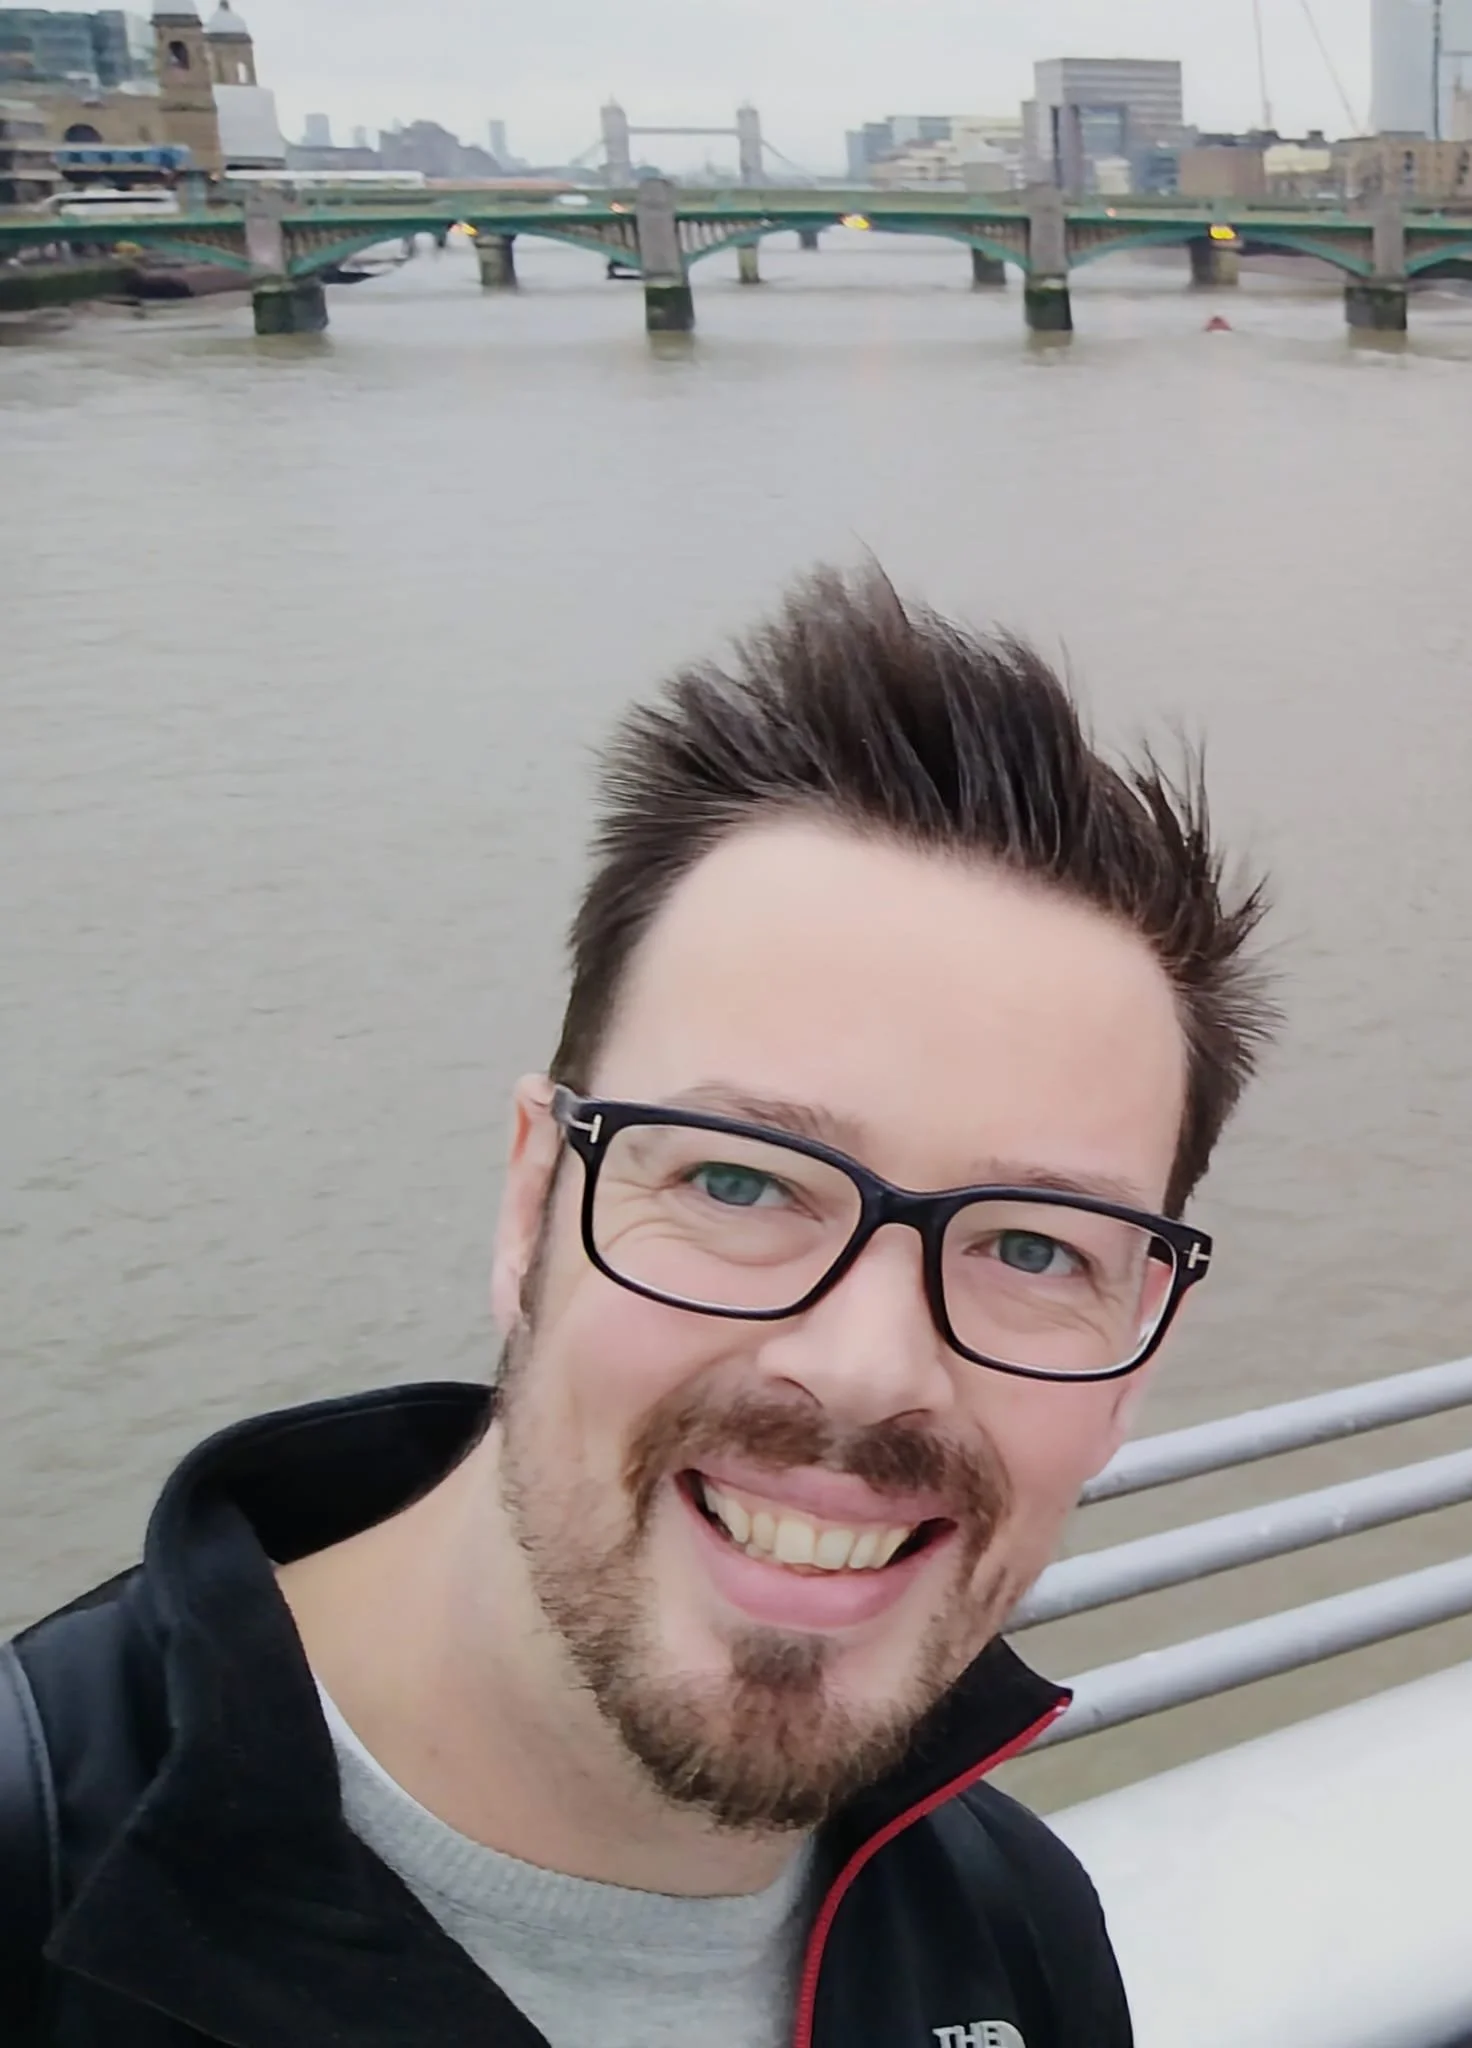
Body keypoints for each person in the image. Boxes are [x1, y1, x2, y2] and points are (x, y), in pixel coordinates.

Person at [2, 568, 1274, 2047]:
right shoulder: (39, 1892)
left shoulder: (1014, 1938)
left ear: (1136, 1366)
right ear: (535, 1201)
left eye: (1039, 1251)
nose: (867, 1369)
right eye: (742, 1185)